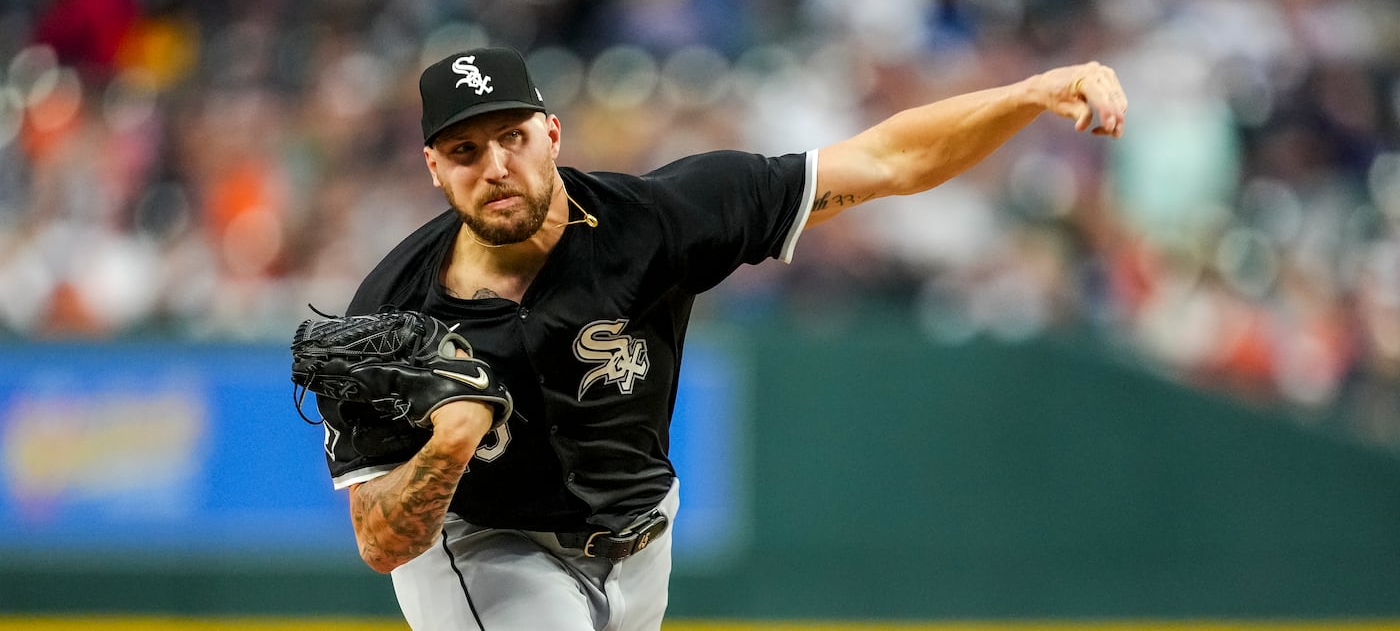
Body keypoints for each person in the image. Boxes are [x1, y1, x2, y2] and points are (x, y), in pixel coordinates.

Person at [312, 45, 1127, 630]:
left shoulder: (658, 220)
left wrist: (1028, 92)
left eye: (512, 138)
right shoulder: (392, 315)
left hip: (639, 538)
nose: (494, 166)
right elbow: (382, 543)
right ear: (433, 167)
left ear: (552, 134)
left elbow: (886, 160)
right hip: (490, 543)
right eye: (465, 150)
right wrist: (449, 444)